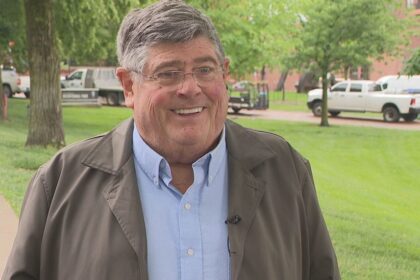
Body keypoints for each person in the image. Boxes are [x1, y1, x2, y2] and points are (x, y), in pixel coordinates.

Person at [2, 1, 340, 279]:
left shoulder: (284, 170)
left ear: (224, 72)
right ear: (129, 86)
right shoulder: (61, 181)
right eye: (168, 73)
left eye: (205, 69)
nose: (190, 88)